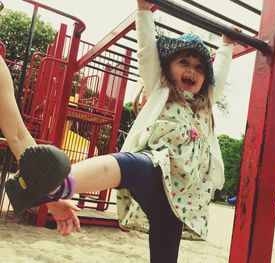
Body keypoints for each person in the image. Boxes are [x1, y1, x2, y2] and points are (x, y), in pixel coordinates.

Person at [0, 0, 238, 262]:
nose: (192, 70)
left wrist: (226, 47)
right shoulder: (162, 90)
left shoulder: (205, 107)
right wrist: (144, 12)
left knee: (167, 234)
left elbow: (221, 76)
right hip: (157, 167)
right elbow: (147, 52)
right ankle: (57, 185)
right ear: (168, 68)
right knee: (128, 165)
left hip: (180, 197)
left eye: (200, 68)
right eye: (184, 62)